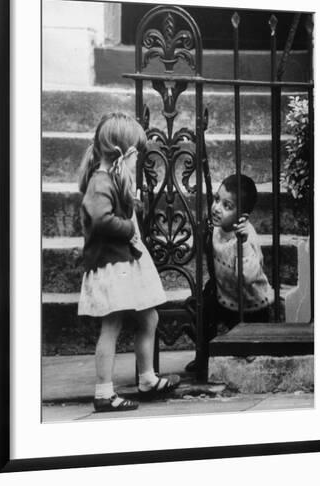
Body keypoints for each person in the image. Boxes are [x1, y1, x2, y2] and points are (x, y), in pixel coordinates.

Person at [78, 112, 181, 412]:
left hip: (124, 263)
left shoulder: (111, 179)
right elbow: (100, 219)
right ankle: (103, 393)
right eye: (138, 154)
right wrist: (128, 228)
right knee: (111, 325)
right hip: (111, 265)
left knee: (149, 317)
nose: (139, 161)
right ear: (126, 154)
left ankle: (147, 378)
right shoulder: (99, 181)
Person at [186, 174, 274, 372]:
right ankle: (204, 356)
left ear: (242, 216)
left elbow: (250, 276)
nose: (217, 208)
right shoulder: (216, 228)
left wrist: (242, 245)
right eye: (217, 199)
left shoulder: (246, 237)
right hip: (224, 293)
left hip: (250, 303)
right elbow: (208, 250)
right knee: (200, 309)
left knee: (248, 354)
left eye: (227, 206)